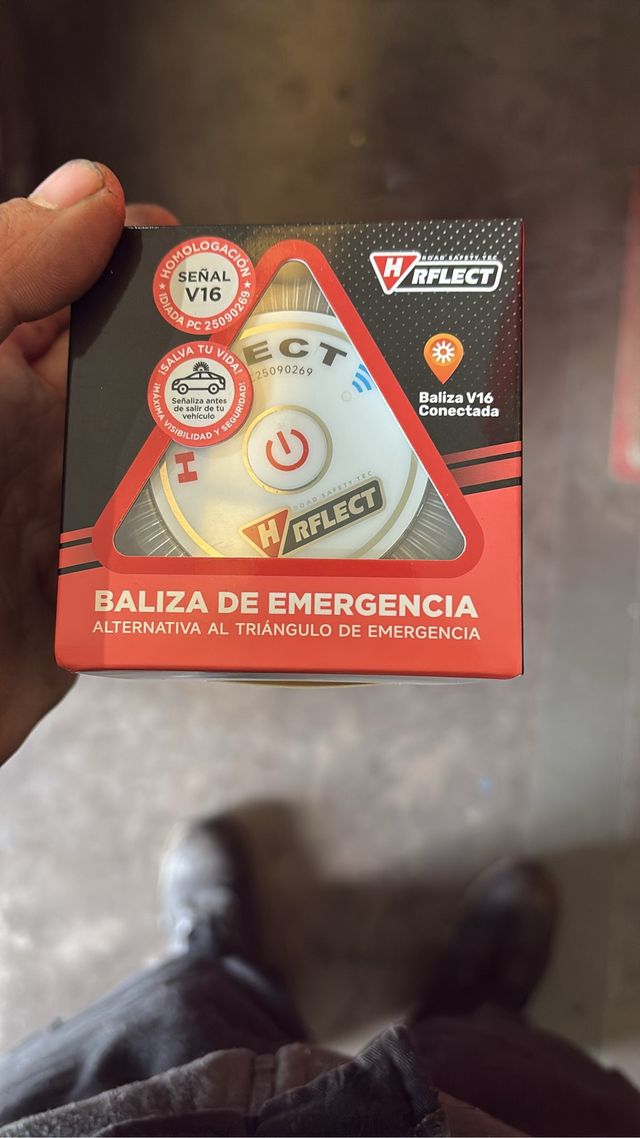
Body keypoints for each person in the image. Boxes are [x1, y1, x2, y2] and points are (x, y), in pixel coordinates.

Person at [1, 161, 640, 1137]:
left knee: (183, 1016)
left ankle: (218, 968)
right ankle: (473, 1017)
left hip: (107, 1104)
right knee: (490, 1072)